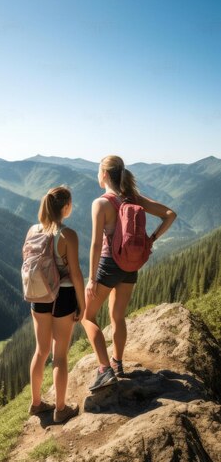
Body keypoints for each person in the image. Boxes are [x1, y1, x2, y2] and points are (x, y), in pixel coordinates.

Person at [82, 155, 177, 391]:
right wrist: (150, 239)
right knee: (117, 316)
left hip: (108, 264)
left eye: (98, 171)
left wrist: (92, 278)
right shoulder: (133, 198)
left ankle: (104, 370)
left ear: (104, 174)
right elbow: (170, 214)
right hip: (130, 265)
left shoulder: (101, 203)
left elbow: (95, 244)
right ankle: (117, 363)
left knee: (87, 316)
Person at [27, 186, 86, 423]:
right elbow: (76, 273)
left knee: (41, 350)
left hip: (39, 295)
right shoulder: (67, 235)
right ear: (65, 207)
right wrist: (82, 304)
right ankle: (60, 409)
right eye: (71, 203)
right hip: (63, 296)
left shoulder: (33, 230)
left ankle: (36, 403)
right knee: (59, 355)